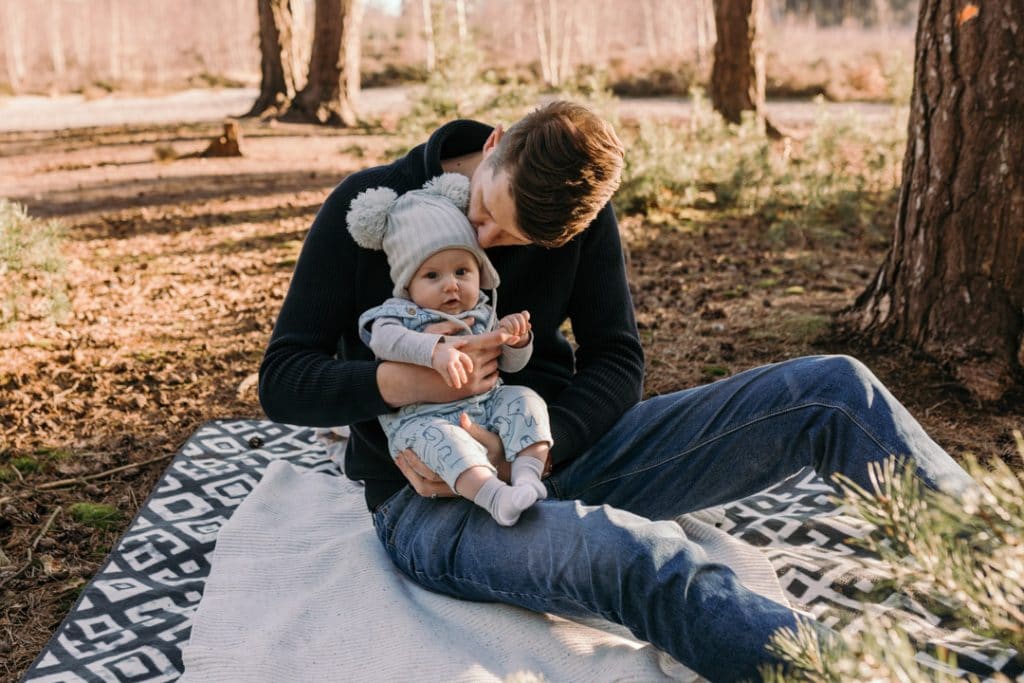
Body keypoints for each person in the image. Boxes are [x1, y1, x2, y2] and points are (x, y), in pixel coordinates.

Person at [259, 100, 975, 681]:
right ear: (497, 141)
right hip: (433, 498)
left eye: (510, 240)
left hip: (560, 448)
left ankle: (994, 573)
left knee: (834, 390)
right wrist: (404, 380)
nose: (483, 239)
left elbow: (616, 359)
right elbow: (283, 379)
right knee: (639, 556)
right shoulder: (367, 205)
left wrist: (540, 445)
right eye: (483, 212)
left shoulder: (574, 214)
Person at [346, 173, 551, 526]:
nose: (451, 285)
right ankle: (495, 497)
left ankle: (528, 474)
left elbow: (512, 366)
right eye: (432, 276)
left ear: (479, 273)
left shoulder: (482, 312)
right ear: (408, 284)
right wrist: (435, 349)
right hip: (422, 420)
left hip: (488, 406)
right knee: (444, 444)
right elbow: (384, 341)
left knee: (526, 399)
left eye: (462, 271)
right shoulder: (401, 314)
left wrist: (515, 339)